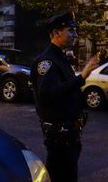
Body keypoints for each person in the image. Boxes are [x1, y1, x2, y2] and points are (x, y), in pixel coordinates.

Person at [30, 12, 100, 182]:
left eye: (75, 31)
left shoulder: (60, 57)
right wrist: (82, 76)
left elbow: (67, 91)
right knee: (62, 176)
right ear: (56, 33)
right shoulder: (47, 61)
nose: (75, 35)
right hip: (60, 136)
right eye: (70, 30)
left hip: (69, 134)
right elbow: (49, 94)